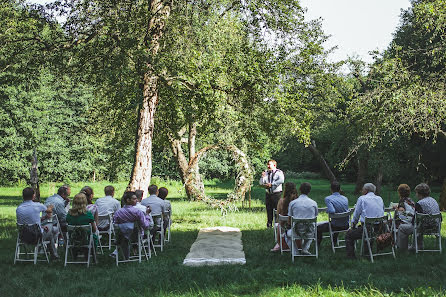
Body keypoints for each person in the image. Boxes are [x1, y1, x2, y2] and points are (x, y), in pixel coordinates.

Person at [16, 187, 59, 258]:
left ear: (23, 196)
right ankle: (53, 255)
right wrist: (51, 207)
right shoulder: (37, 205)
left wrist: (41, 223)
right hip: (36, 237)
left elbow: (29, 222)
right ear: (33, 196)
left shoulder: (19, 208)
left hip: (23, 237)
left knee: (50, 234)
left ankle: (53, 254)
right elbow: (49, 211)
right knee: (51, 226)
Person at [345, 183, 384, 259]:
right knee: (367, 230)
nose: (362, 191)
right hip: (379, 229)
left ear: (366, 190)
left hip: (368, 228)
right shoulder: (380, 198)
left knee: (349, 235)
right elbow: (382, 211)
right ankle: (367, 253)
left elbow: (356, 214)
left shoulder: (362, 198)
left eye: (362, 189)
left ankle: (351, 257)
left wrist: (353, 225)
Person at [397, 183, 440, 250]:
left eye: (416, 193)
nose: (416, 194)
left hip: (423, 228)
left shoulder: (420, 203)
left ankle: (403, 248)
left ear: (420, 193)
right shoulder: (433, 200)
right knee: (420, 223)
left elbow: (415, 221)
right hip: (436, 226)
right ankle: (419, 246)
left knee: (402, 228)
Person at [113, 191, 153, 259]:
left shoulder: (118, 213)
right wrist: (147, 215)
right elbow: (146, 225)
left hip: (122, 236)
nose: (136, 200)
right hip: (136, 237)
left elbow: (116, 226)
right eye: (134, 199)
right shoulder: (137, 212)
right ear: (128, 200)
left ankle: (125, 256)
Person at [286, 182, 318, 255]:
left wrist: (288, 226)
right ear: (309, 191)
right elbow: (315, 216)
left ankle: (295, 251)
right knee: (312, 229)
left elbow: (289, 220)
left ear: (300, 190)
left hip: (296, 232)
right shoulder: (314, 203)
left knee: (286, 234)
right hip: (310, 232)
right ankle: (305, 249)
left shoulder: (293, 203)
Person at [66, 192, 98, 258]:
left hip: (73, 239)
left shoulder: (69, 214)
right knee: (94, 236)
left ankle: (75, 254)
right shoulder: (88, 214)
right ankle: (92, 255)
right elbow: (94, 229)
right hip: (86, 239)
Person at [317, 181, 349, 246]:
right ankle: (334, 241)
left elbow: (332, 211)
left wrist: (327, 211)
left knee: (318, 228)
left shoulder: (328, 199)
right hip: (346, 225)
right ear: (340, 189)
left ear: (331, 189)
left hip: (335, 226)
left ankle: (318, 245)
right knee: (337, 220)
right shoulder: (345, 198)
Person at [270, 182, 297, 252]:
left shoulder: (282, 201)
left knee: (279, 224)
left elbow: (278, 215)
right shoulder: (297, 202)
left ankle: (280, 244)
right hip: (297, 227)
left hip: (283, 226)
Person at [259, 159, 284, 228]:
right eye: (267, 164)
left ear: (274, 165)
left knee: (277, 209)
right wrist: (262, 177)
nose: (268, 166)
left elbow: (281, 180)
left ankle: (277, 225)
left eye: (269, 164)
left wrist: (272, 184)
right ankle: (269, 225)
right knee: (269, 209)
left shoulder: (279, 172)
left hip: (276, 194)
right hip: (268, 194)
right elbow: (261, 183)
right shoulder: (266, 173)